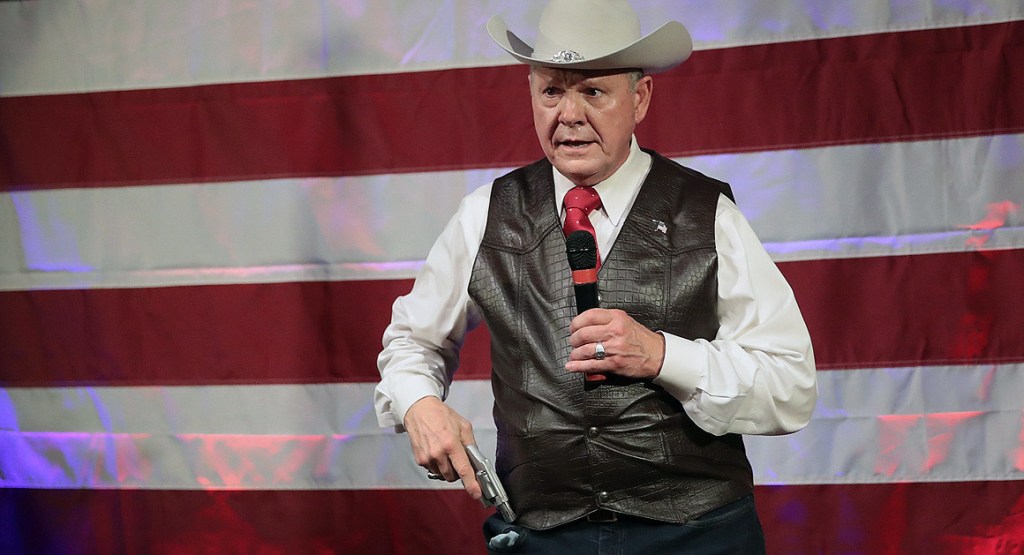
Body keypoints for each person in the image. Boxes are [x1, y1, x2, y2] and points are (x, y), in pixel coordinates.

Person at [375, 0, 817, 552]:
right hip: (542, 537)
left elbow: (790, 387)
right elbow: (412, 342)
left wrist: (662, 355)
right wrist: (418, 404)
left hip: (697, 537)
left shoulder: (707, 215)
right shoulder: (485, 215)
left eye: (593, 91)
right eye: (552, 91)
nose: (569, 114)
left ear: (641, 98)